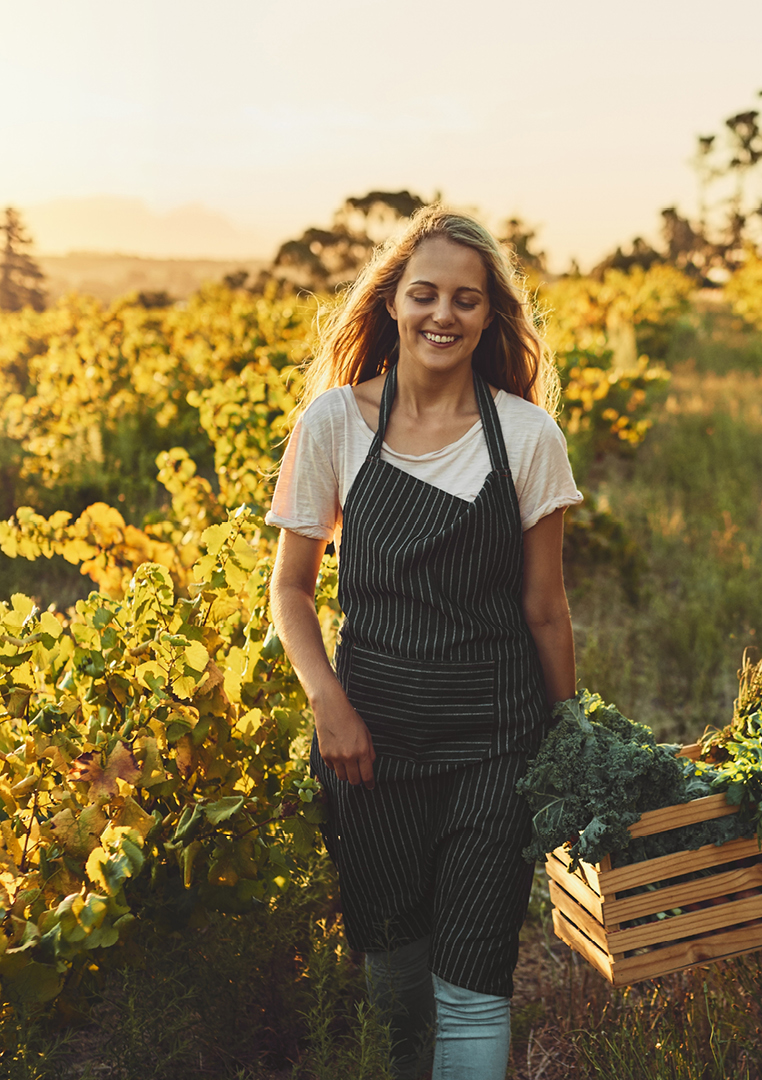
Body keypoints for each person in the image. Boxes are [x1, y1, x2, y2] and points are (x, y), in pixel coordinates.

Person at [266, 206, 580, 1080]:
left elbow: (545, 610)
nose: (445, 315)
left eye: (468, 300)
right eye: (426, 294)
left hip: (495, 740)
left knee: (475, 978)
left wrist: (572, 741)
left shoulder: (526, 436)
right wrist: (330, 706)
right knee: (396, 981)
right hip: (372, 744)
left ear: (490, 318)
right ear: (392, 304)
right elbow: (289, 590)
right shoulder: (335, 423)